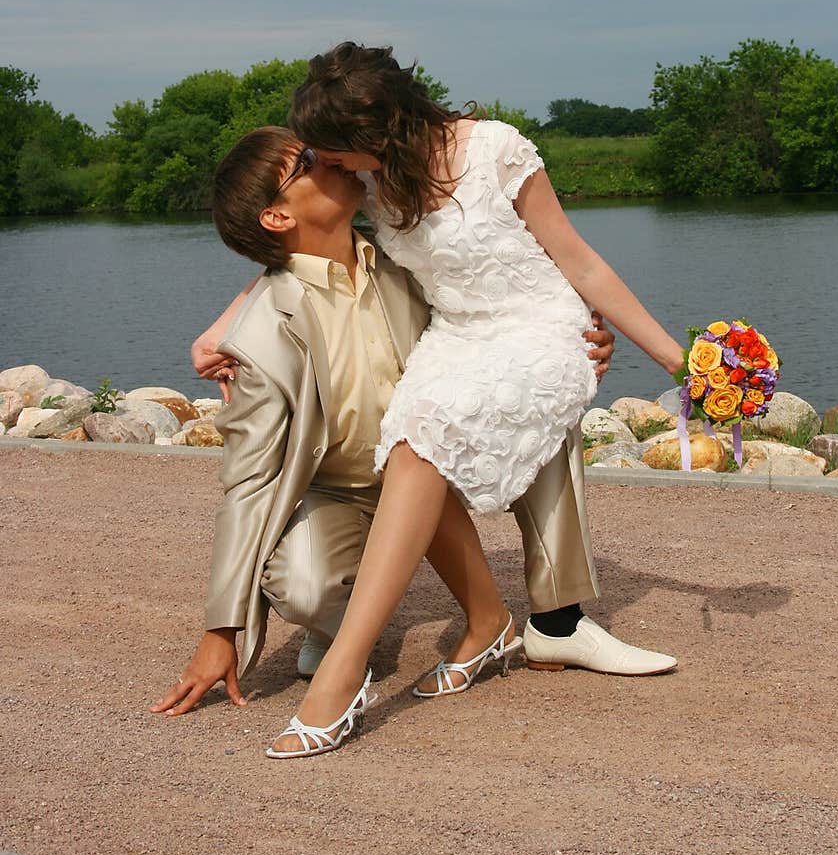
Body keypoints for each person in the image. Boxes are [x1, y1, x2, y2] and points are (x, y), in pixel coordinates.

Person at [186, 44, 683, 760]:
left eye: (334, 155)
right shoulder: (368, 198)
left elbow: (567, 259)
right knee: (408, 452)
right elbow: (307, 261)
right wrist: (220, 330)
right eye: (319, 161)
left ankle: (363, 669)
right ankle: (455, 626)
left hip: (526, 332)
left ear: (372, 139)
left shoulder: (455, 170)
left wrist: (667, 356)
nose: (332, 166)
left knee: (444, 429)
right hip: (404, 407)